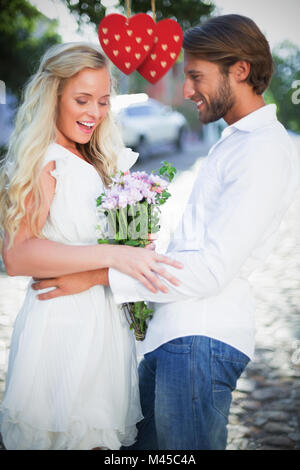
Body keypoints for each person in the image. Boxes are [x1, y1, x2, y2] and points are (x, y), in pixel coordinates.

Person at [29, 15, 300, 450]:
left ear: (240, 70)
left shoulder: (263, 151)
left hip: (200, 341)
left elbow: (210, 270)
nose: (187, 90)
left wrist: (98, 276)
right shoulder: (235, 141)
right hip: (176, 336)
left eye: (196, 76)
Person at [0, 42, 183, 451]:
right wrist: (116, 255)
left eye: (103, 101)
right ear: (54, 95)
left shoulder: (97, 159)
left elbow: (118, 250)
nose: (95, 113)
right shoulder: (45, 158)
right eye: (82, 100)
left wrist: (123, 252)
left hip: (103, 321)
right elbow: (17, 255)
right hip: (62, 324)